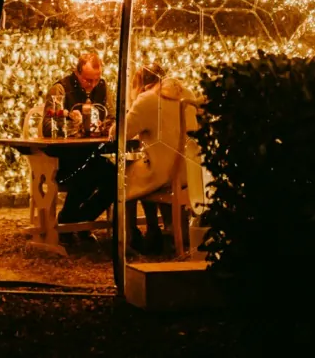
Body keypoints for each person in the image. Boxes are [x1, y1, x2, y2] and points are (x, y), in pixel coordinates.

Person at [123, 63, 199, 254]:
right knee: (142, 167)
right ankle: (154, 229)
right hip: (190, 169)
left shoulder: (147, 99)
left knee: (124, 173)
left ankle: (132, 234)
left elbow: (121, 133)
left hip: (164, 172)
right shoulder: (187, 92)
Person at [42, 52, 114, 239]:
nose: (92, 85)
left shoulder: (103, 88)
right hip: (64, 159)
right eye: (87, 80)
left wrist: (106, 126)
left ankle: (72, 221)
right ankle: (73, 223)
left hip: (91, 154)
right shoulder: (60, 89)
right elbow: (48, 127)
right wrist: (74, 125)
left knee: (116, 178)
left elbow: (114, 116)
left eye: (96, 80)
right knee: (92, 172)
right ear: (76, 72)